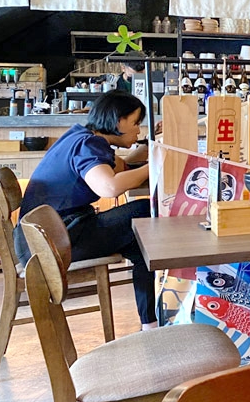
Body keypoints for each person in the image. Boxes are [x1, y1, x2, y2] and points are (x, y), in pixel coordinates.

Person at [13, 91, 157, 329]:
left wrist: (148, 151)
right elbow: (109, 186)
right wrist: (153, 167)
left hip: (42, 239)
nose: (138, 131)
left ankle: (150, 325)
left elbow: (120, 167)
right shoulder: (88, 144)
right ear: (118, 121)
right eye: (135, 124)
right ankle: (153, 321)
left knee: (140, 241)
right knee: (145, 210)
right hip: (54, 243)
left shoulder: (80, 135)